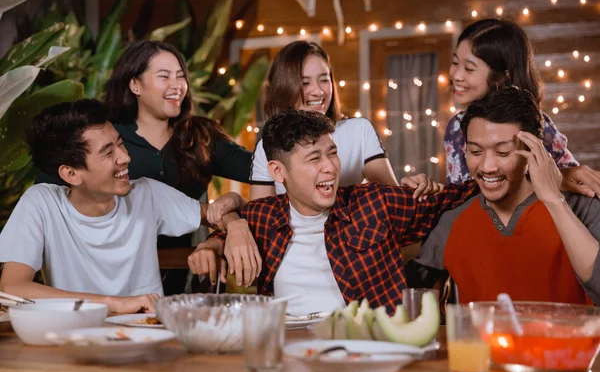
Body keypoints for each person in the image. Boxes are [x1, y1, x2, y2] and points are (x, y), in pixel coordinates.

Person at [189, 110, 479, 314]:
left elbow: (461, 196)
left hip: (367, 352)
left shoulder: (375, 204)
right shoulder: (262, 217)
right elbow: (221, 235)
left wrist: (431, 185)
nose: (330, 167)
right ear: (278, 171)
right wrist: (211, 245)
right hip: (287, 355)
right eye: (315, 158)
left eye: (332, 153)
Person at [38, 40, 260, 292]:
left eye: (180, 76)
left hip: (197, 274)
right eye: (164, 76)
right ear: (134, 85)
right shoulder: (108, 140)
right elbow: (50, 196)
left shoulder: (201, 135)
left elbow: (265, 171)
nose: (177, 85)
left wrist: (233, 212)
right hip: (122, 282)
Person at [0, 99, 252, 313]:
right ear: (71, 174)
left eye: (120, 143)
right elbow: (11, 288)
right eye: (108, 153)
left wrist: (234, 226)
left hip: (148, 334)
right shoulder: (41, 202)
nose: (125, 157)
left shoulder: (145, 193)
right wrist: (113, 303)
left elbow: (216, 214)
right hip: (76, 341)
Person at [416, 87, 600, 305]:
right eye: (475, 152)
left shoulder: (583, 207)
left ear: (533, 150)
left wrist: (554, 200)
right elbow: (411, 297)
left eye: (502, 152)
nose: (486, 166)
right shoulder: (451, 222)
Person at [445, 18, 600, 196]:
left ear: (501, 77)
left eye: (469, 69)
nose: (456, 75)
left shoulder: (538, 125)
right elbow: (459, 197)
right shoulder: (457, 127)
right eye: (455, 63)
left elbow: (577, 184)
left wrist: (561, 177)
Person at [250, 41, 400, 200]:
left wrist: (418, 189)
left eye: (324, 80)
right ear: (284, 88)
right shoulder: (266, 147)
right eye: (305, 83)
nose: (318, 91)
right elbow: (260, 216)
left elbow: (394, 200)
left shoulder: (359, 131)